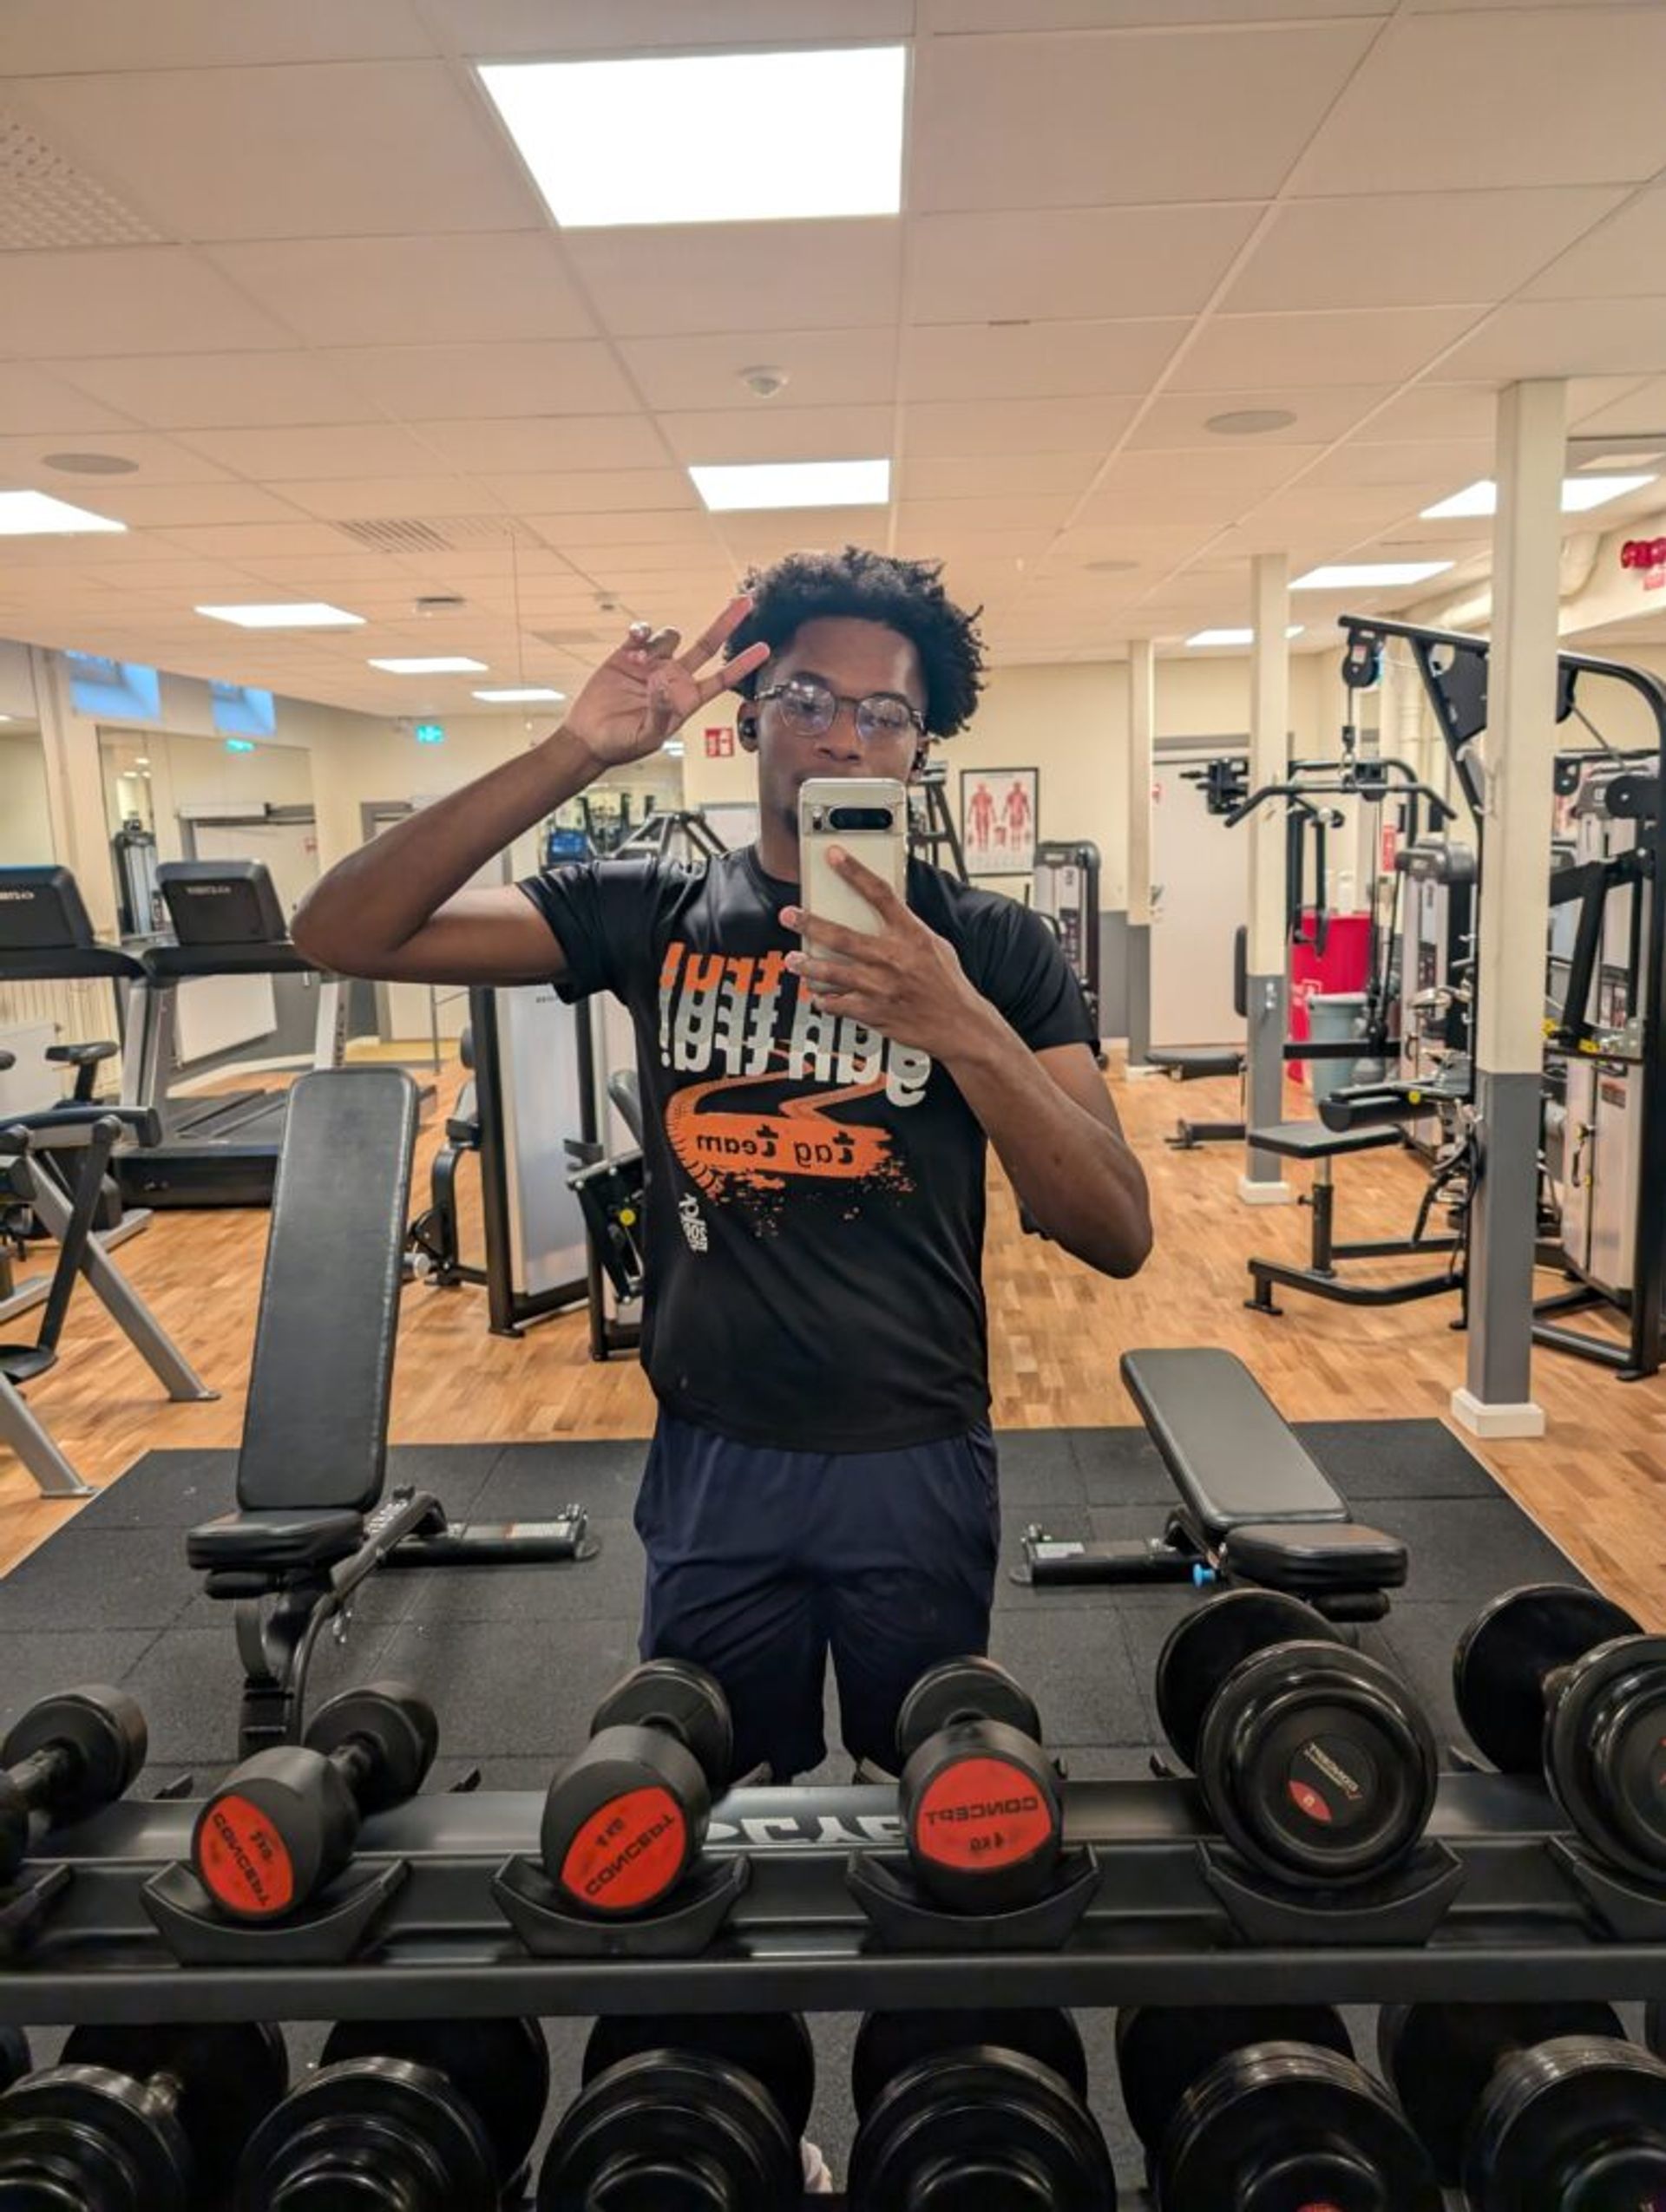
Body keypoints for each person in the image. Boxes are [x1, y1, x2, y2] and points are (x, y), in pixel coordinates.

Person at [292, 546, 1151, 1789]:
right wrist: (572, 753)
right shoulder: (655, 910)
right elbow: (338, 931)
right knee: (707, 1798)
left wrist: (955, 1017)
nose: (842, 737)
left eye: (883, 712)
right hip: (715, 1452)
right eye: (806, 697)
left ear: (921, 747)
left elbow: (1116, 1226)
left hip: (911, 1452)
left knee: (938, 1793)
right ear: (748, 720)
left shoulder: (992, 947)